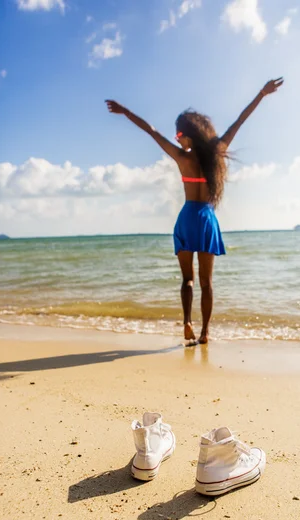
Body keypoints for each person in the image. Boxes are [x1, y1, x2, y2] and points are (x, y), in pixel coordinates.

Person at [105, 77, 283, 344]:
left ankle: (187, 321)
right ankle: (204, 333)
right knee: (206, 283)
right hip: (207, 219)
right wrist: (261, 93)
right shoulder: (217, 152)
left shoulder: (182, 157)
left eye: (179, 134)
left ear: (189, 133)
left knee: (187, 279)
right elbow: (239, 122)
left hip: (188, 217)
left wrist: (126, 112)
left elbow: (151, 131)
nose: (177, 138)